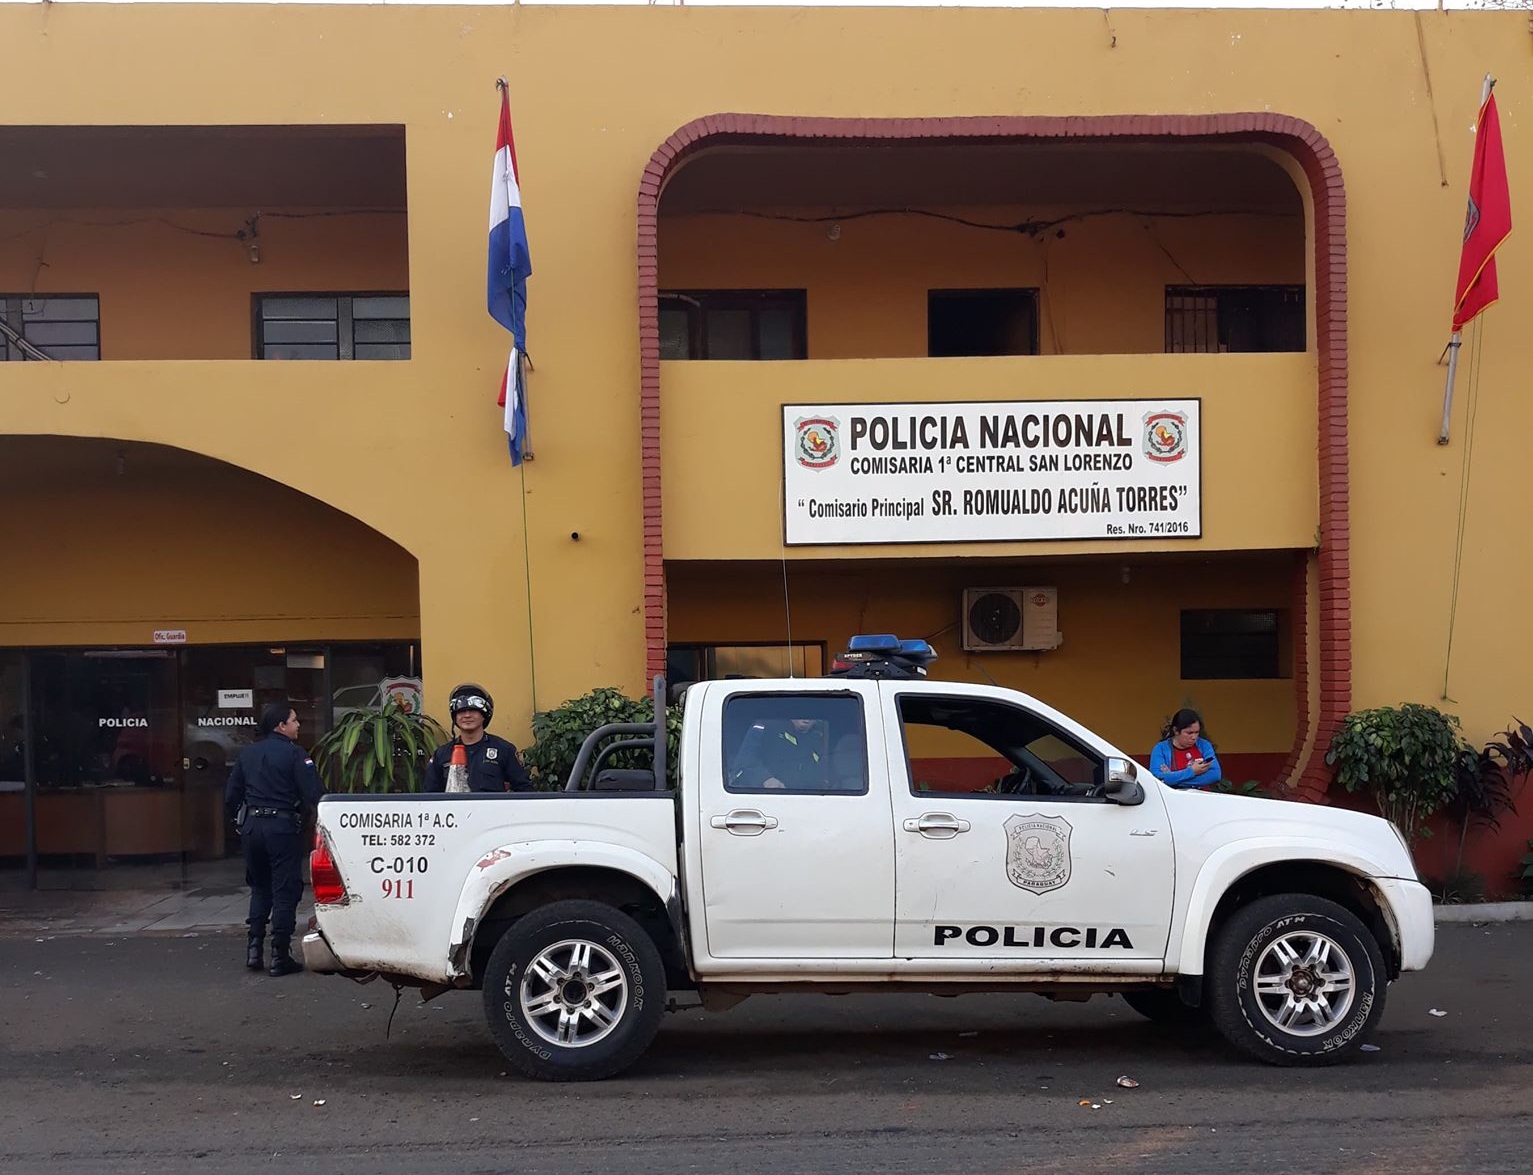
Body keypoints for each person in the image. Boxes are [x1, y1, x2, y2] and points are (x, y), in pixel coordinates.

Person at [225, 701, 325, 977]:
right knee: (285, 889)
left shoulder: (248, 754)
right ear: (281, 725)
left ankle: (254, 949)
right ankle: (280, 955)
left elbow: (231, 796)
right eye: (294, 720)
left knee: (259, 887)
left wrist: (238, 822)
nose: (298, 725)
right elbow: (315, 794)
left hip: (252, 827)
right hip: (281, 828)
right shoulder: (295, 755)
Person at [423, 683, 532, 793]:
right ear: (454, 717)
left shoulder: (504, 750)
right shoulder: (441, 754)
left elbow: (524, 790)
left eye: (473, 710)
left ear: (484, 715)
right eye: (461, 711)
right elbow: (430, 796)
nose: (467, 715)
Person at [732, 713, 829, 790]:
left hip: (808, 800)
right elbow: (746, 759)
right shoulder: (767, 726)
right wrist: (764, 779)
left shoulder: (819, 738)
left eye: (812, 716)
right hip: (764, 796)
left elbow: (825, 770)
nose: (807, 720)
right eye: (802, 713)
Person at [1150, 708, 1222, 789]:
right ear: (1176, 730)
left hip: (1202, 798)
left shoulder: (1204, 745)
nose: (1194, 737)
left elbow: (1215, 775)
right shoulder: (1161, 749)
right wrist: (1192, 771)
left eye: (1197, 732)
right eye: (1189, 733)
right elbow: (1158, 778)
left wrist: (1174, 781)